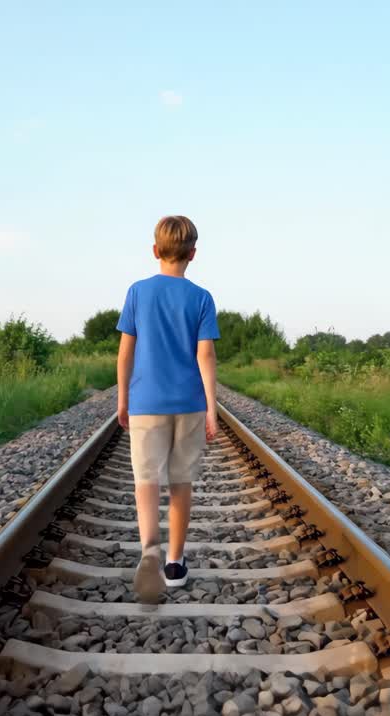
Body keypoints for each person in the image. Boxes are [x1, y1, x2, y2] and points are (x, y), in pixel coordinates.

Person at [116, 215, 219, 604]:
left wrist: (123, 398)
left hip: (146, 402)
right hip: (189, 404)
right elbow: (205, 354)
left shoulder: (138, 292)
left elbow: (126, 352)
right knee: (180, 482)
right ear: (193, 254)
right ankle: (175, 563)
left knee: (147, 480)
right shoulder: (201, 298)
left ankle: (149, 552)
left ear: (155, 251)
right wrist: (212, 408)